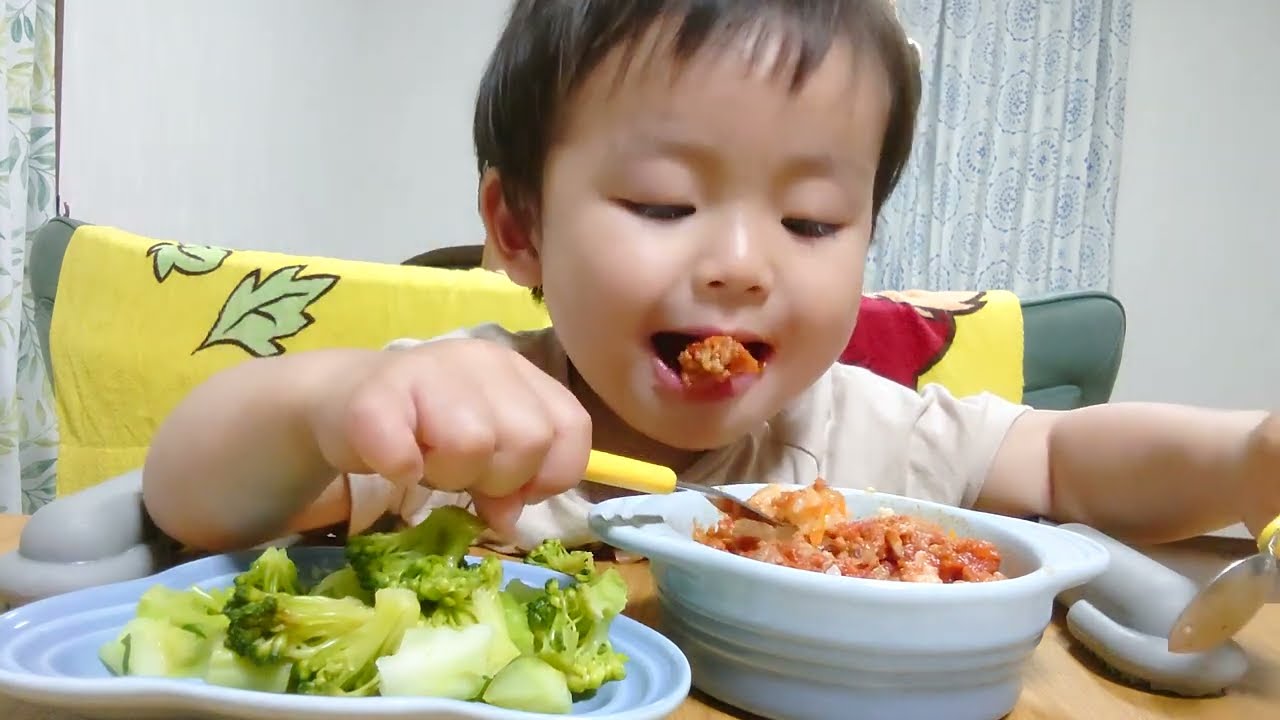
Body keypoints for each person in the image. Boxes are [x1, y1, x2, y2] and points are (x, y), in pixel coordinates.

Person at [141, 0, 1279, 556]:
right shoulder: (455, 417)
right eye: (661, 205)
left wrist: (1245, 461)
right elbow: (186, 497)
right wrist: (329, 404)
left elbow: (1069, 463)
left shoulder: (864, 435)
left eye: (810, 220)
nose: (739, 265)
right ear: (518, 227)